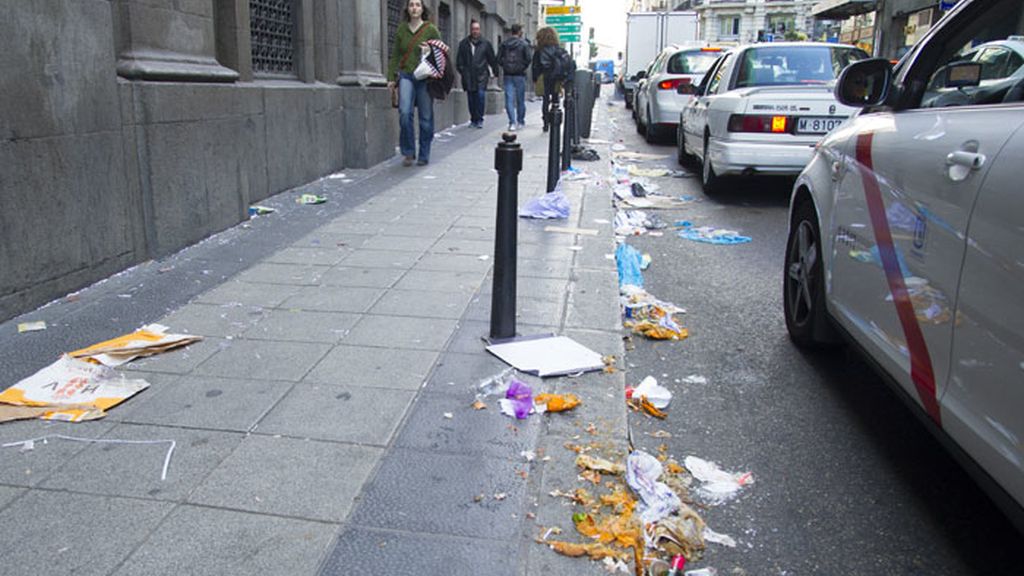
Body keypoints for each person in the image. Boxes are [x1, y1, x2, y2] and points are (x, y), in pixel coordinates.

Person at [387, 0, 442, 166]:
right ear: (407, 9)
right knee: (404, 113)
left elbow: (441, 52)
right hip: (406, 76)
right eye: (411, 5)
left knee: (425, 117)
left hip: (424, 78)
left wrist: (429, 50)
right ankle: (409, 151)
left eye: (417, 5)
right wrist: (390, 77)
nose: (414, 8)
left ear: (422, 8)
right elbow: (396, 54)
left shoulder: (430, 29)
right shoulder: (402, 29)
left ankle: (424, 152)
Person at [456, 19, 499, 128]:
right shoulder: (464, 44)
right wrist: (463, 71)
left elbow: (492, 59)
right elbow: (459, 61)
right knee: (471, 98)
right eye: (473, 29)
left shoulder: (485, 44)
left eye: (477, 29)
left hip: (481, 75)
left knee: (480, 96)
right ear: (470, 30)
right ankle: (473, 118)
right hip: (468, 76)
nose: (475, 31)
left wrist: (495, 71)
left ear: (480, 30)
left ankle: (479, 119)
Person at [531, 27, 573, 133]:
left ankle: (545, 123)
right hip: (556, 76)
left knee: (545, 100)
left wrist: (535, 79)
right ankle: (554, 118)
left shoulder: (539, 50)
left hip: (544, 76)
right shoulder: (558, 49)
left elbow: (535, 66)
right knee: (555, 98)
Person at [498, 23, 532, 131]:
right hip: (520, 75)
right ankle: (520, 121)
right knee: (520, 99)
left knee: (509, 99)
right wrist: (522, 67)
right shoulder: (524, 44)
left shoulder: (504, 44)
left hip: (508, 74)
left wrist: (505, 66)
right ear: (519, 32)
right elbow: (528, 58)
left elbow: (498, 58)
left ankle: (512, 122)